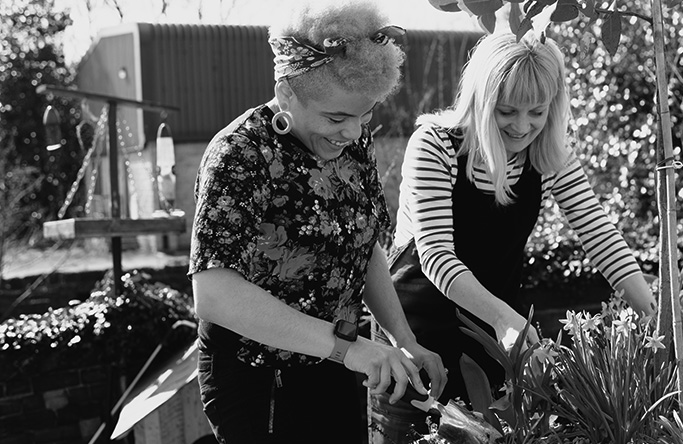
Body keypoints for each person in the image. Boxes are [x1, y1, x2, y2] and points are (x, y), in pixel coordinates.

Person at [370, 30, 657, 441]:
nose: (523, 127)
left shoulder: (548, 152)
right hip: (416, 334)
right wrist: (508, 320)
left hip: (493, 339)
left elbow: (598, 232)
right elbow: (434, 255)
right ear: (481, 100)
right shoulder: (436, 145)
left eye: (537, 112)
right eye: (507, 111)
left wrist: (651, 310)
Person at [188, 1, 447, 443]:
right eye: (336, 118)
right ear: (287, 92)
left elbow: (362, 248)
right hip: (259, 379)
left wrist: (402, 339)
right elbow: (215, 295)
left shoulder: (353, 140)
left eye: (365, 115)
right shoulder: (240, 154)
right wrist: (348, 347)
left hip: (337, 365)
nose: (352, 132)